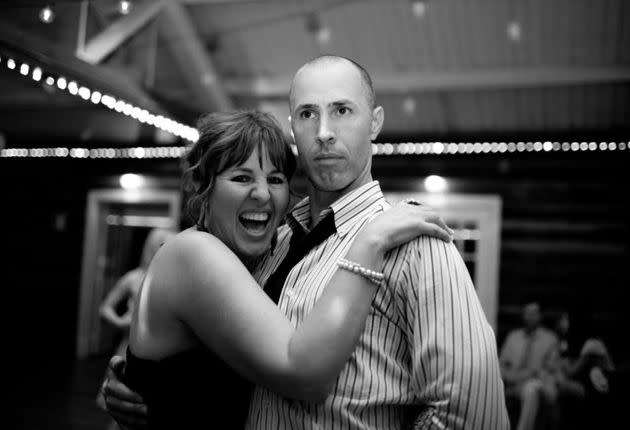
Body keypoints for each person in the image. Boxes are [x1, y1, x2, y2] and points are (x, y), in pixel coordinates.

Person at [103, 55, 509, 429]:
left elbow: (472, 415)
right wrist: (142, 381)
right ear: (293, 125)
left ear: (375, 122)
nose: (325, 132)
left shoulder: (415, 243)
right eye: (308, 114)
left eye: (342, 110)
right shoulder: (266, 244)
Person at [96, 228, 175, 413]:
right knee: (122, 406)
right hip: (129, 347)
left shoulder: (175, 279)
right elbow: (105, 308)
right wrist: (119, 322)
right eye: (163, 245)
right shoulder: (133, 278)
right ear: (152, 248)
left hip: (162, 354)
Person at [500, 301, 560, 430]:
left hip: (538, 385)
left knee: (531, 389)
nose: (530, 316)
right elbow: (501, 366)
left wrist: (533, 374)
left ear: (540, 316)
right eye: (527, 313)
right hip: (514, 383)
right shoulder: (513, 337)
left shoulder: (550, 339)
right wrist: (511, 376)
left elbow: (550, 369)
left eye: (534, 313)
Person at [554, 310, 615, 428]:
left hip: (603, 387)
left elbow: (572, 371)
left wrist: (562, 361)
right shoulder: (576, 342)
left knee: (562, 386)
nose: (561, 322)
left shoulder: (592, 344)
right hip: (590, 384)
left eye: (565, 319)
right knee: (560, 386)